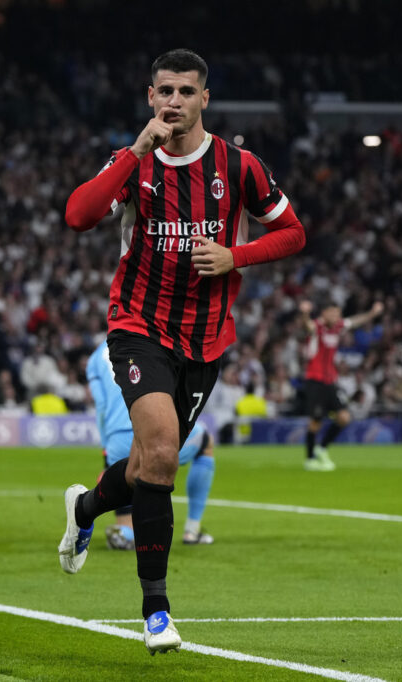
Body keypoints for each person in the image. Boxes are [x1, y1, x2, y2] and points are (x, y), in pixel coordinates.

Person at [61, 48, 306, 655]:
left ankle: (86, 508)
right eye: (164, 91)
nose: (174, 101)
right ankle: (156, 612)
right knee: (164, 452)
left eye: (186, 91)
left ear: (204, 99)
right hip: (138, 325)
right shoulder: (133, 162)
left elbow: (293, 232)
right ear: (151, 97)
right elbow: (78, 215)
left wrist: (235, 256)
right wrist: (135, 150)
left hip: (205, 339)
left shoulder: (239, 166)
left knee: (151, 466)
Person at [87, 341, 216, 552]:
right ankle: (192, 530)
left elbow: (100, 406)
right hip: (154, 432)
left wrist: (106, 451)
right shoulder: (150, 341)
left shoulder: (94, 359)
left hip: (117, 440)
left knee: (127, 487)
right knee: (205, 443)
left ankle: (125, 533)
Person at [298, 299, 383, 471]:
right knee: (315, 422)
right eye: (332, 313)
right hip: (314, 380)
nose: (336, 316)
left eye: (338, 313)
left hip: (330, 381)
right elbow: (307, 326)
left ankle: (322, 449)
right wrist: (305, 313)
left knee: (344, 417)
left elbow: (355, 320)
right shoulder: (317, 327)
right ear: (324, 313)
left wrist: (372, 313)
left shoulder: (338, 327)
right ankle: (309, 459)